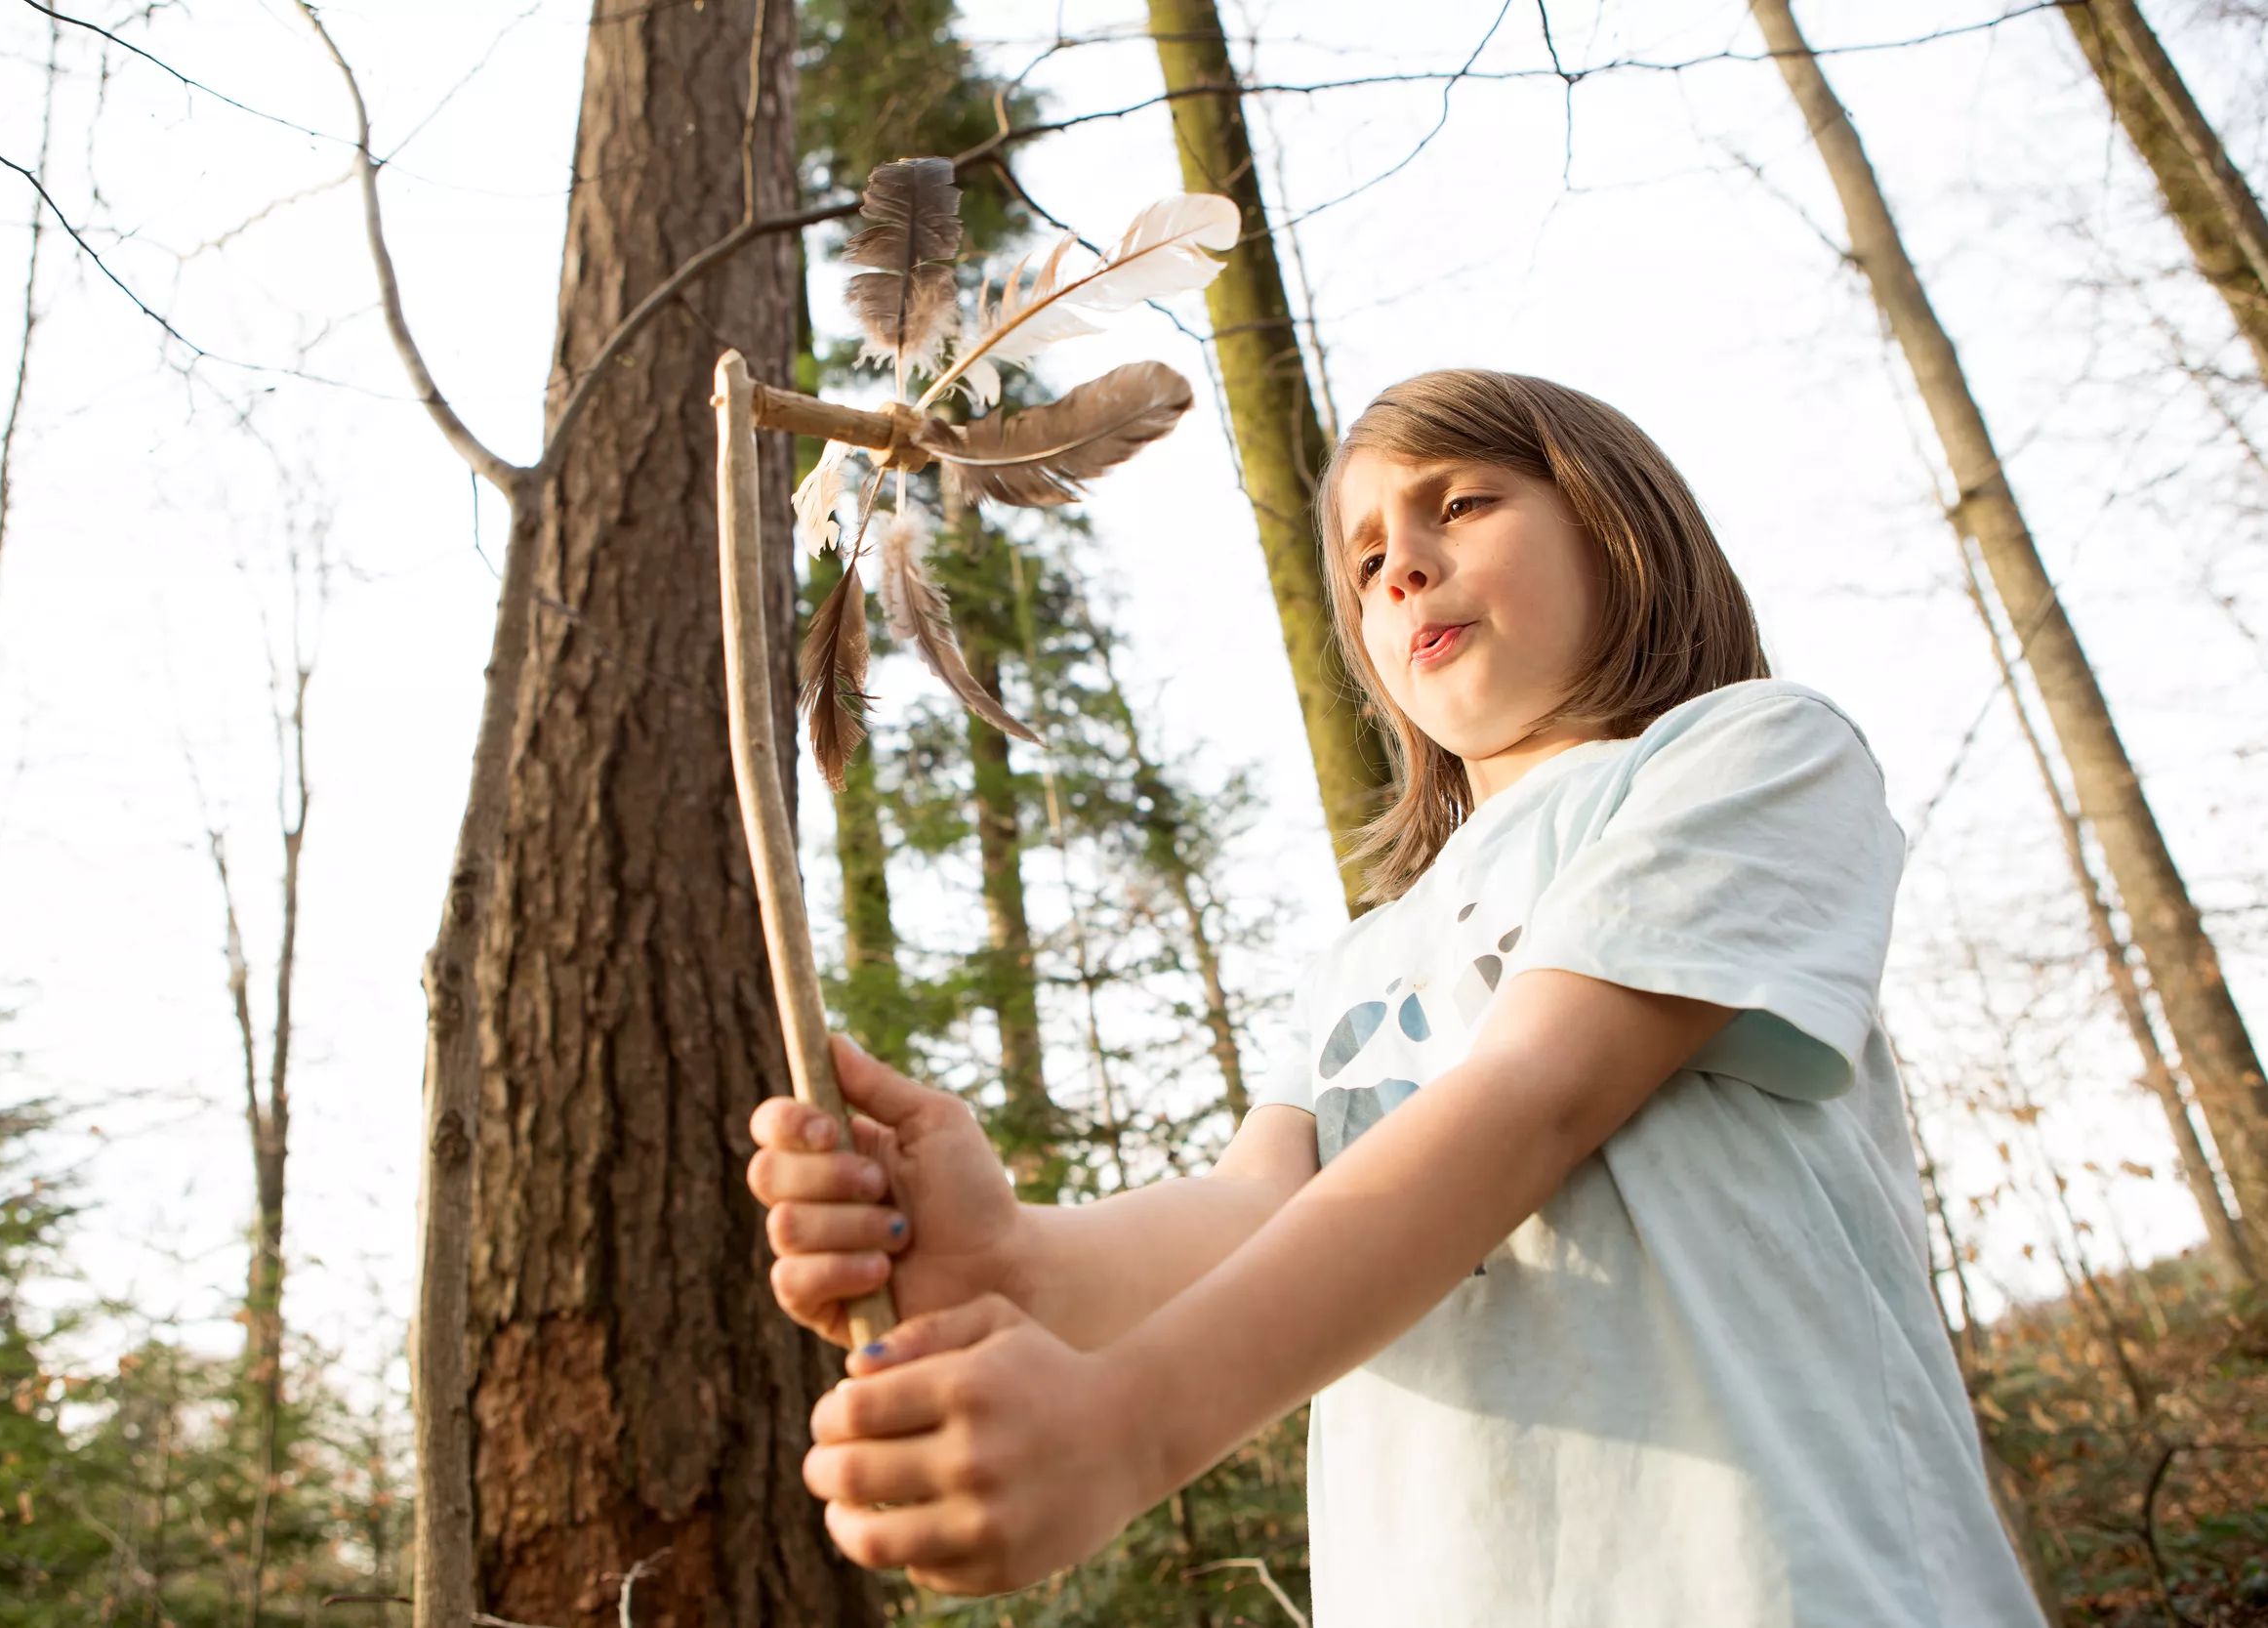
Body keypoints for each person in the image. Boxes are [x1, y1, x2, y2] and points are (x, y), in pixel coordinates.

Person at [746, 369, 2045, 1624]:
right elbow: (1258, 1212)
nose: (1402, 565)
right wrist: (1014, 1261)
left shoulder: (1749, 753)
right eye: (1366, 562)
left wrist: (1133, 1423)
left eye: (1461, 504)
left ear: (1621, 523)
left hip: (1783, 1582)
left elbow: (1538, 1092)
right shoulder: (1361, 963)